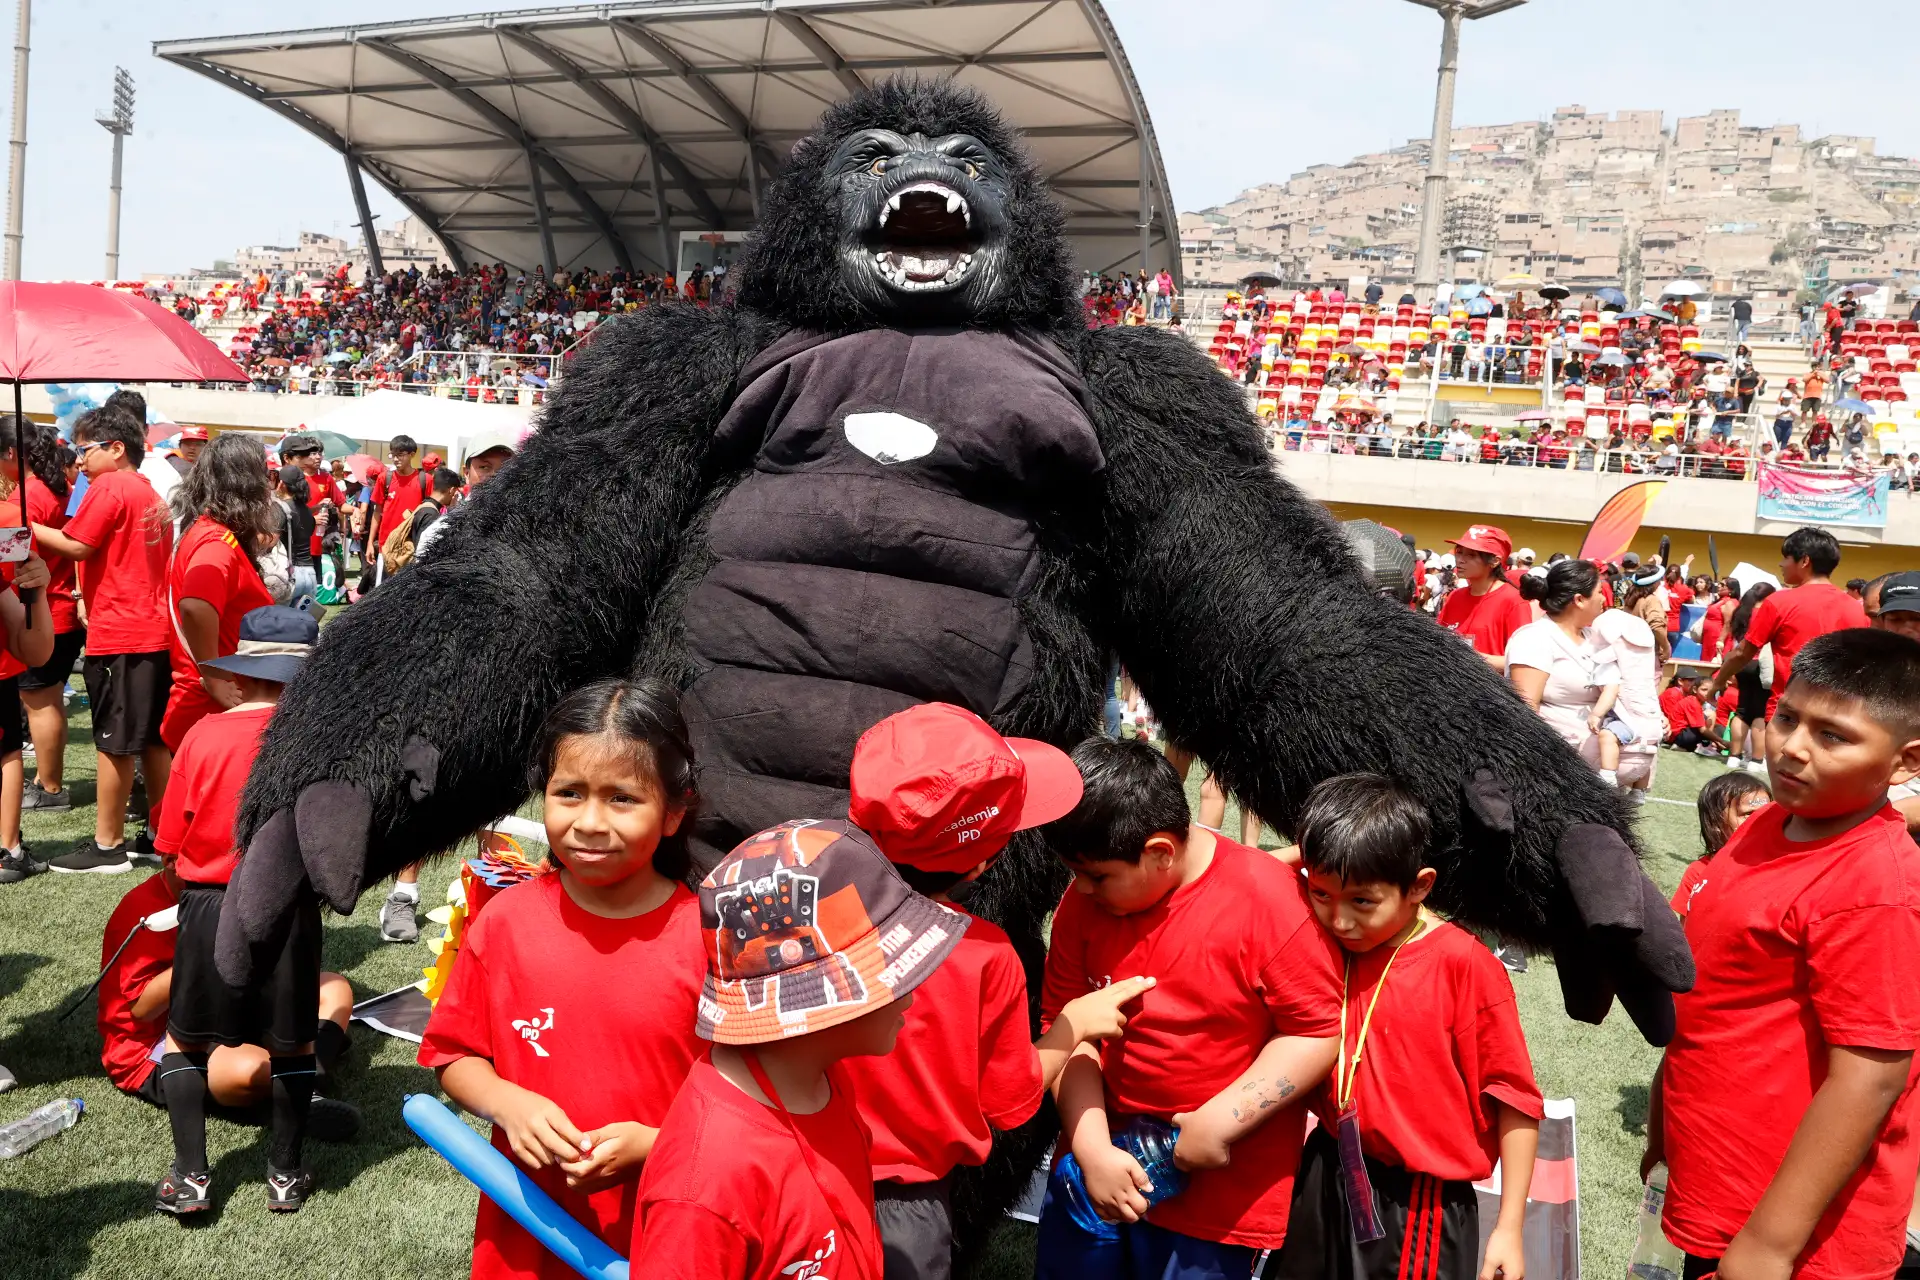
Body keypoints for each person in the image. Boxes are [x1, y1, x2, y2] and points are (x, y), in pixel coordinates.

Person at [840, 703, 1155, 1279]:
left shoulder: (809, 918)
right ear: (983, 860)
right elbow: (1009, 1101)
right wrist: (1074, 1025)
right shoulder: (984, 953)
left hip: (804, 1170)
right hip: (906, 1206)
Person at [1645, 629, 1920, 1280]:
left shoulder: (1877, 887)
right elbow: (1718, 991)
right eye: (1788, 717)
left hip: (1796, 1237)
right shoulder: (1767, 824)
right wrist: (1664, 1110)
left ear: (1906, 763)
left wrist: (1770, 1244)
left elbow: (1872, 1074)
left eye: (1832, 735)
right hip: (1721, 1184)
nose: (1792, 747)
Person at [420, 677, 707, 1277]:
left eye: (623, 798)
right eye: (569, 793)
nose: (590, 822)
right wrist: (508, 1102)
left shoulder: (707, 938)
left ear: (675, 813)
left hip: (668, 1224)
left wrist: (658, 1146)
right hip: (528, 1224)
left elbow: (751, 1103)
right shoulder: (506, 923)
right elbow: (454, 1054)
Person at [1035, 738, 1341, 1279]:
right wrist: (1093, 1151)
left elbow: (1315, 1031)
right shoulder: (1083, 905)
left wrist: (1225, 1120)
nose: (1079, 889)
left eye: (1097, 875)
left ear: (1159, 852)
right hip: (1096, 1172)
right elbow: (1065, 1032)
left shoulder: (1268, 901)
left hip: (1219, 1201)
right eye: (1072, 872)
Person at [628, 819, 967, 1279]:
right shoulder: (705, 1187)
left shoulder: (819, 1077)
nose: (909, 995)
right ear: (813, 996)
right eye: (888, 974)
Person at [1272, 774, 1541, 1280]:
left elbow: (1515, 1099)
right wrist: (1313, 854)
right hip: (1325, 1170)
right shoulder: (1323, 933)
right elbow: (1251, 874)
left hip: (1417, 1206)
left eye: (1362, 902)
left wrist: (1509, 1227)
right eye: (1321, 894)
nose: (1340, 920)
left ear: (1420, 886)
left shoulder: (1464, 965)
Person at [150, 606, 344, 1215]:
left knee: (184, 1043)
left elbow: (168, 844)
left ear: (240, 675)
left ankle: (191, 1178)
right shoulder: (319, 741)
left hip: (208, 904)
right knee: (292, 1046)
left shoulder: (201, 735)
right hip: (289, 908)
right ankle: (284, 1176)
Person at [98, 852, 357, 1134]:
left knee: (335, 990)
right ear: (171, 862)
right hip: (155, 1043)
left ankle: (303, 1086)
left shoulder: (236, 891)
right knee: (247, 1069)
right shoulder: (142, 909)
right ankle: (297, 1093)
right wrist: (205, 948)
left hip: (226, 1012)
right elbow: (142, 1009)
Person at [35, 407, 176, 874]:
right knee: (152, 740)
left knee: (114, 742)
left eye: (85, 450)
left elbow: (78, 544)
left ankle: (108, 844)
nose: (79, 460)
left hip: (123, 631)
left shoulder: (111, 486)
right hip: (150, 631)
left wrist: (24, 525)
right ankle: (160, 834)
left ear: (116, 449)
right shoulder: (147, 491)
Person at [161, 433, 275, 754]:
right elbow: (196, 605)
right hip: (213, 710)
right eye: (264, 475)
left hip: (214, 707)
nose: (269, 486)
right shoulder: (215, 541)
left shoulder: (209, 531)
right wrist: (214, 676)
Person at [1706, 528, 1868, 726]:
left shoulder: (1780, 601)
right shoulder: (1857, 608)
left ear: (1804, 561)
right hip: (1837, 715)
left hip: (1790, 711)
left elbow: (1743, 652)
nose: (1781, 564)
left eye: (1786, 558)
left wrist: (1718, 681)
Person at [15, 414, 82, 814]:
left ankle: (50, 787)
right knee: (49, 700)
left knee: (39, 702)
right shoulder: (64, 489)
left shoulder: (27, 496)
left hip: (44, 611)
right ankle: (48, 780)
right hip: (65, 609)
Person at [1505, 559, 1621, 782]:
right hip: (1556, 774)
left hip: (1591, 774)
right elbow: (1526, 712)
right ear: (1579, 600)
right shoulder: (1535, 638)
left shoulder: (1593, 638)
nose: (1604, 599)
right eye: (1599, 591)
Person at [1669, 770, 1771, 921]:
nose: (1761, 819)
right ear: (1716, 823)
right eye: (1749, 814)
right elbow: (1686, 928)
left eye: (1768, 812)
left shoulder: (1779, 867)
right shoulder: (1699, 872)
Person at [1434, 524, 1532, 672]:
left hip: (1488, 691)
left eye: (1471, 555)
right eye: (1459, 552)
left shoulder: (1514, 601)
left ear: (1495, 561)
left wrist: (1472, 659)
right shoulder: (1455, 596)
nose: (1460, 560)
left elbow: (1525, 659)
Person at [1661, 674, 1716, 754]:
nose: (1707, 693)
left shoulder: (1690, 698)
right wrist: (1721, 742)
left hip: (1677, 733)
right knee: (1709, 718)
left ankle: (1704, 744)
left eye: (1710, 690)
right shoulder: (1674, 693)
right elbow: (1702, 729)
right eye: (1690, 680)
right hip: (1674, 735)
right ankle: (1704, 745)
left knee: (1710, 715)